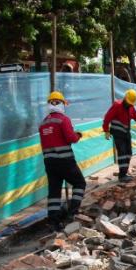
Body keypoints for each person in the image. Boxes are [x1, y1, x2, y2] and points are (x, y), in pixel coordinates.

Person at [39, 91, 85, 230]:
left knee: (54, 191)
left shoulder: (43, 123)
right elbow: (71, 138)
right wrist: (78, 135)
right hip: (65, 161)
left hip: (49, 163)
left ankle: (53, 221)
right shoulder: (63, 120)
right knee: (79, 183)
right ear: (61, 104)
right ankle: (72, 212)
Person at [103, 89, 136, 182]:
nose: (129, 104)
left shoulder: (131, 108)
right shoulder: (117, 105)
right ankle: (122, 175)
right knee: (122, 153)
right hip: (118, 134)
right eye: (129, 103)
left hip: (126, 133)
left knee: (128, 153)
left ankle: (124, 173)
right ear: (125, 98)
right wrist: (106, 130)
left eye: (131, 103)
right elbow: (107, 118)